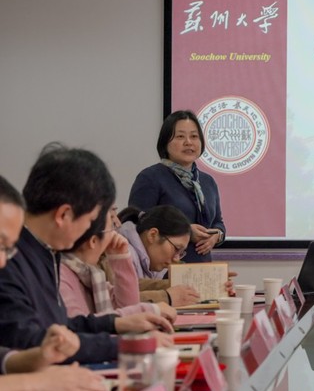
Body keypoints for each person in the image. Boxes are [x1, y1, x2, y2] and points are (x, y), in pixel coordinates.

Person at [0, 143, 173, 364]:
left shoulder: (44, 251)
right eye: (91, 220)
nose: (91, 229)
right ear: (64, 215)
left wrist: (115, 323)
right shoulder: (9, 260)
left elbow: (59, 327)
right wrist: (124, 344)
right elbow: (34, 341)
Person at [0, 174, 106, 391]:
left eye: (6, 249)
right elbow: (23, 336)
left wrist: (39, 357)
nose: (3, 261)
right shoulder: (17, 266)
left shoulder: (47, 256)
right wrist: (35, 382)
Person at [129, 110, 226, 264]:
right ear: (165, 142)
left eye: (194, 136)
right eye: (180, 136)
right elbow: (137, 222)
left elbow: (217, 222)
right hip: (164, 269)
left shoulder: (207, 181)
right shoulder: (150, 177)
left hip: (203, 268)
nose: (188, 142)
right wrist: (185, 231)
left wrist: (217, 236)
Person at [59, 204, 177, 322]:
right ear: (93, 241)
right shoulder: (61, 276)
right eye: (112, 223)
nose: (118, 224)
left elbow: (128, 306)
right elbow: (79, 325)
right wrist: (152, 309)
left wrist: (121, 258)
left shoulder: (90, 276)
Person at [117, 205, 201, 307]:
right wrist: (167, 296)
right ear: (153, 235)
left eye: (181, 252)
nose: (176, 259)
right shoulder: (121, 254)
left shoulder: (153, 261)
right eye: (176, 248)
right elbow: (122, 301)